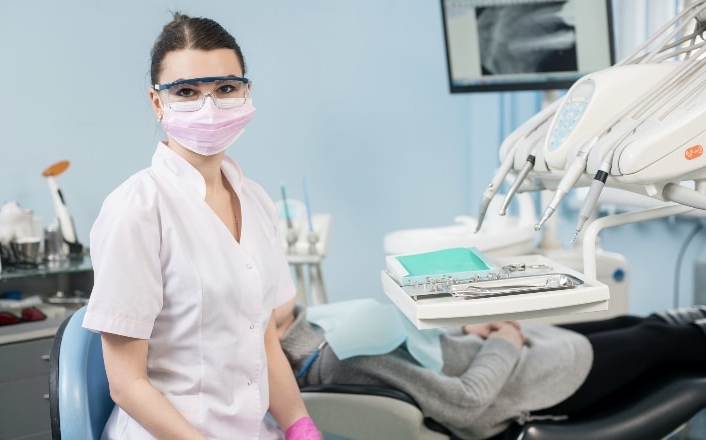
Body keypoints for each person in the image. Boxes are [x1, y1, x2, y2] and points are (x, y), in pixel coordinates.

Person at [82, 13, 319, 440]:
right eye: (187, 91)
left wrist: (299, 424)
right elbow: (126, 383)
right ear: (157, 102)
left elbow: (265, 339)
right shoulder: (135, 210)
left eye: (226, 88)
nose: (209, 107)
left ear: (247, 93)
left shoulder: (256, 202)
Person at [278, 295, 706, 440]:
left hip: (518, 352)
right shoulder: (341, 359)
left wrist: (467, 325)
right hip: (531, 382)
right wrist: (503, 342)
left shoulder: (316, 323)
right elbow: (465, 403)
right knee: (660, 341)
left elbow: (410, 338)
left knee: (642, 325)